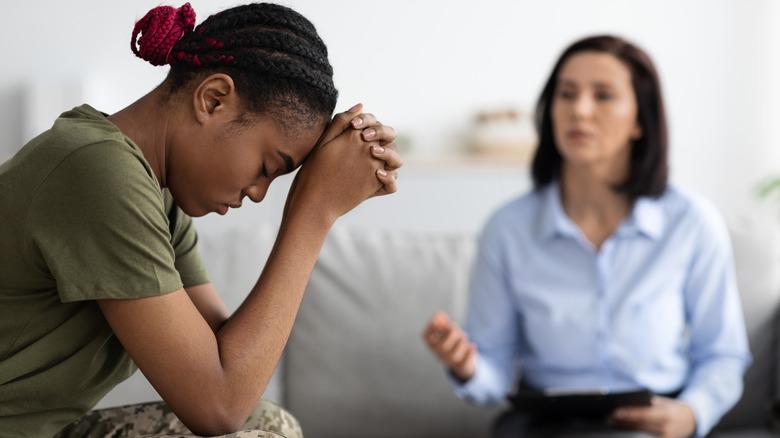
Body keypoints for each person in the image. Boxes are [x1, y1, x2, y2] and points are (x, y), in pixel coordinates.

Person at [0, 2, 402, 437]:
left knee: (268, 421)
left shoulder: (154, 194)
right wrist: (314, 213)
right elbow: (218, 404)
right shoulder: (99, 171)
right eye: (267, 167)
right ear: (213, 100)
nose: (257, 193)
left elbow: (230, 364)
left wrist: (322, 188)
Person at [422, 35, 750, 438]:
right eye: (567, 94)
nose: (579, 110)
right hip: (546, 424)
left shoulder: (692, 222)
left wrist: (692, 414)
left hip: (655, 423)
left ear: (640, 120)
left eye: (603, 95)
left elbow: (723, 355)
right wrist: (467, 365)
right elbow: (493, 377)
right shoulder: (507, 229)